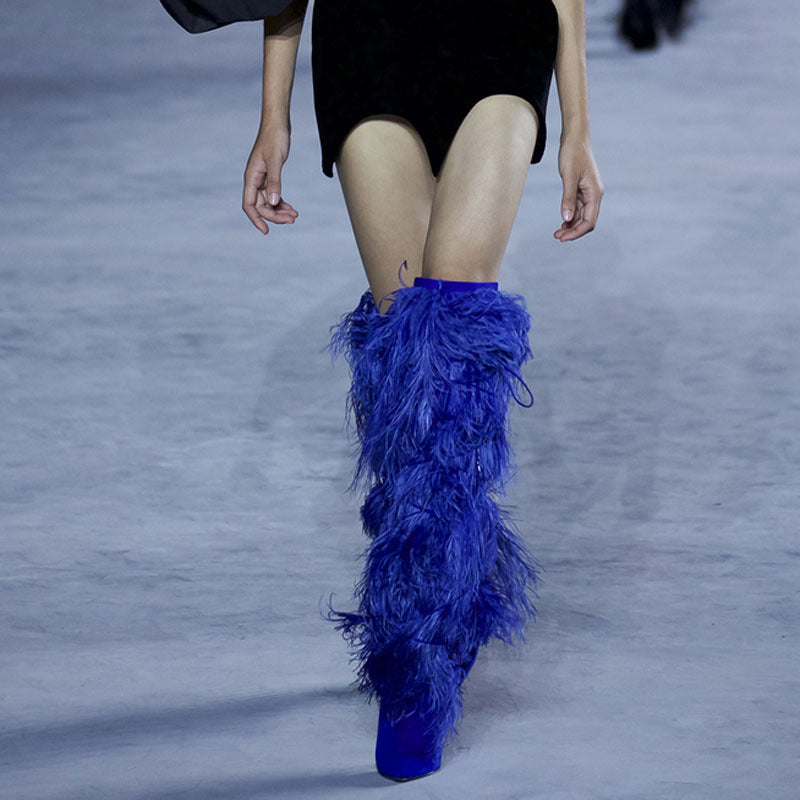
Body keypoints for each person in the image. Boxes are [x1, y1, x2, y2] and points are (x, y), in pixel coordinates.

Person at [161, 0, 603, 782]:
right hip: (369, 36)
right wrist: (274, 118)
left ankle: (416, 651)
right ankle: (451, 587)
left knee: (452, 331)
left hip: (501, 41)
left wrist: (578, 130)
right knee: (407, 356)